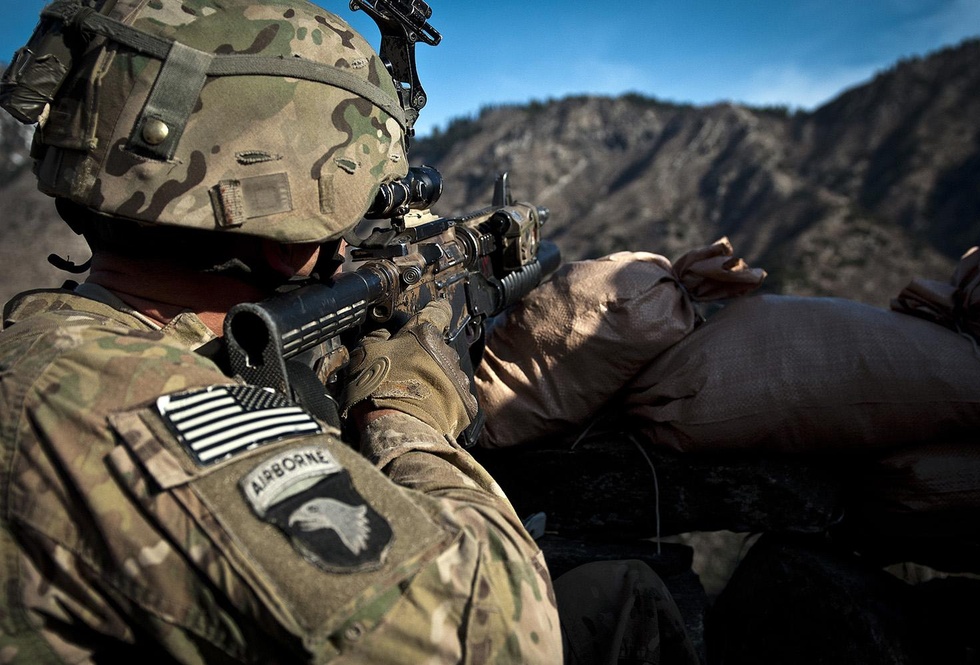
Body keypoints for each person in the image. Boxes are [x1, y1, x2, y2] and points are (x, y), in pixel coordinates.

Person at [0, 0, 564, 661]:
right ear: (289, 243)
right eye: (357, 211)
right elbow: (499, 632)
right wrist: (404, 408)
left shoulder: (64, 339)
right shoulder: (126, 401)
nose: (353, 243)